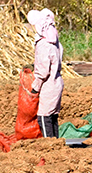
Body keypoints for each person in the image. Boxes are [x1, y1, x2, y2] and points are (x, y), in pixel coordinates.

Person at [27, 8, 64, 139]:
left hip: (48, 84)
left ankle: (50, 145)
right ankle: (56, 142)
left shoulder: (43, 44)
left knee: (43, 116)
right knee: (53, 115)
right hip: (57, 81)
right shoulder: (55, 42)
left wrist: (35, 87)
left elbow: (43, 71)